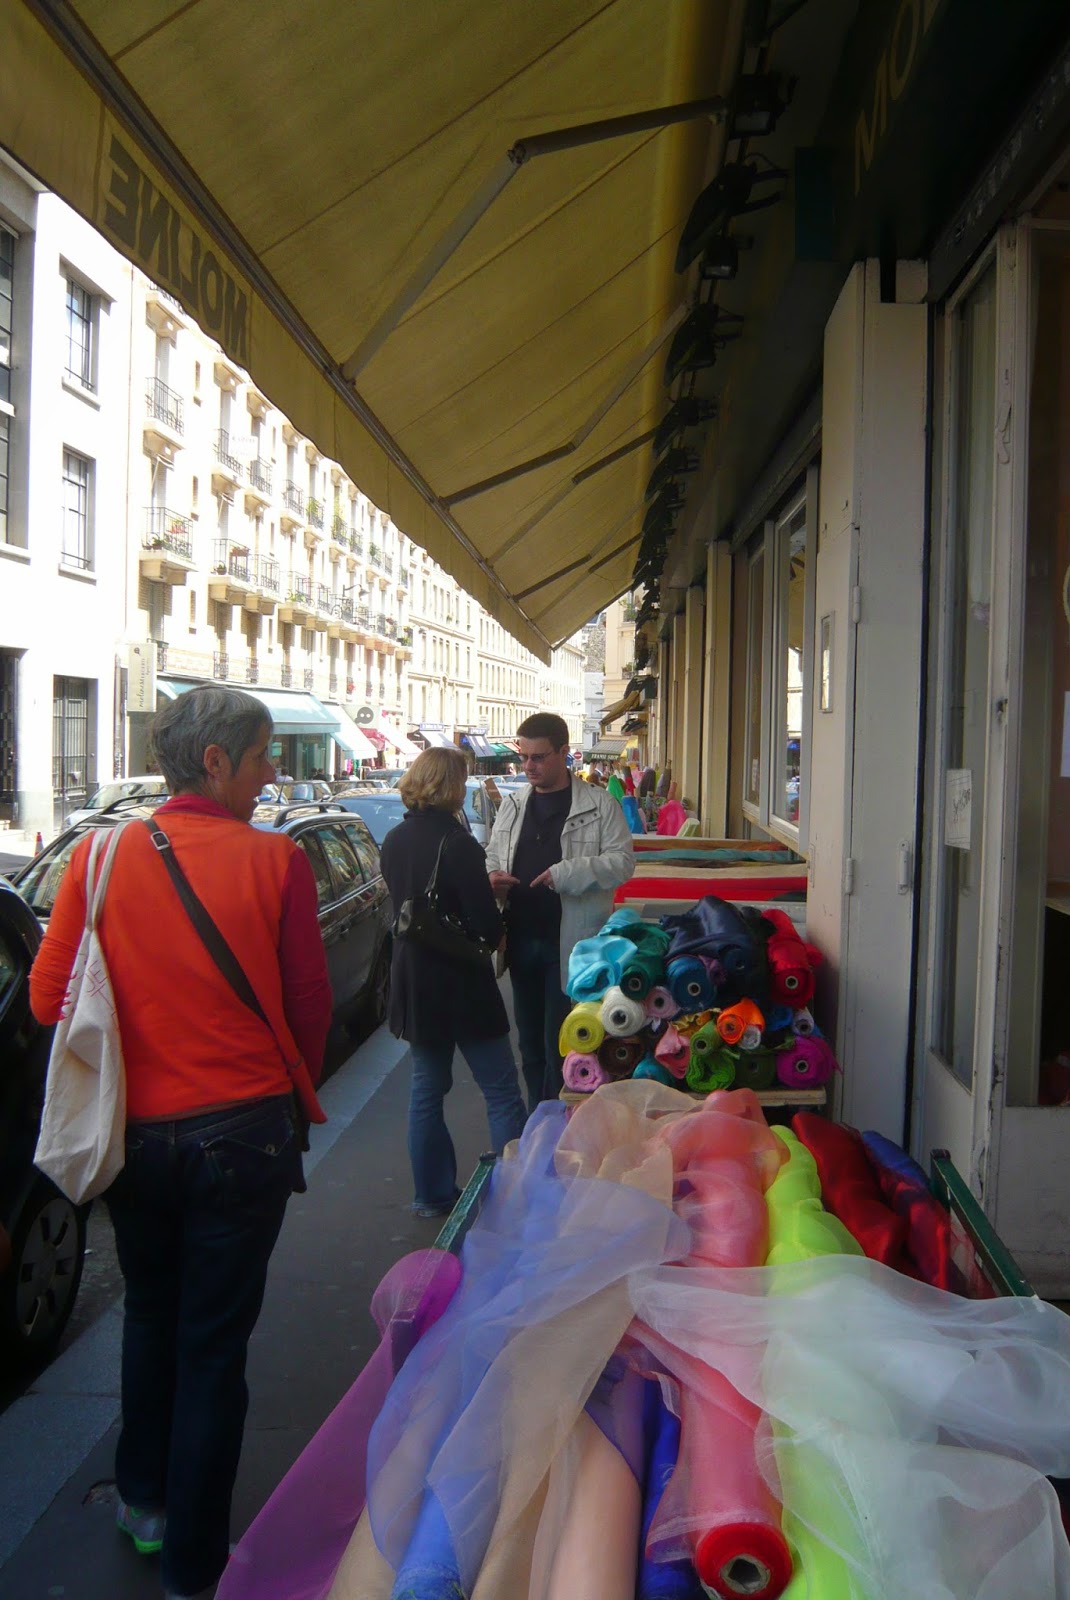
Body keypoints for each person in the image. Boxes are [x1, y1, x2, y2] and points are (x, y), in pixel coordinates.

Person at [30, 685, 332, 1600]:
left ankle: (144, 1504)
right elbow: (308, 1003)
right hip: (243, 1136)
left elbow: (47, 1001)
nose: (271, 773)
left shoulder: (99, 855)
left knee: (152, 1317)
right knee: (212, 1345)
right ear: (216, 761)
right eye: (263, 755)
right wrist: (291, 1085)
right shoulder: (276, 860)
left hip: (135, 1139)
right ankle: (195, 1564)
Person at [379, 745, 527, 1218]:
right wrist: (494, 904)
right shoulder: (459, 843)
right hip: (462, 983)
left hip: (415, 980)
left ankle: (432, 1194)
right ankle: (514, 1196)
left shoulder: (394, 839)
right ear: (450, 786)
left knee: (426, 1091)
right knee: (500, 1089)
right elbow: (483, 925)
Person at [486, 712, 634, 1109]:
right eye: (524, 757)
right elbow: (492, 854)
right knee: (529, 1043)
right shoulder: (513, 805)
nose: (529, 766)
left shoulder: (599, 805)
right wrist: (492, 877)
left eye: (538, 757)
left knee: (563, 1043)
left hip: (571, 945)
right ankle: (539, 1116)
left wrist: (568, 872)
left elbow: (623, 863)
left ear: (564, 752)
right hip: (521, 941)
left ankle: (559, 1120)